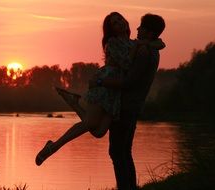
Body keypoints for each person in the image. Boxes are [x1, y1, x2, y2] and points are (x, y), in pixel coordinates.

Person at [35, 13, 165, 176]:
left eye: (120, 20)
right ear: (111, 29)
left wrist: (144, 43)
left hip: (116, 92)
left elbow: (160, 43)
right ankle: (53, 146)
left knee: (99, 131)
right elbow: (125, 64)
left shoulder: (135, 43)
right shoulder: (113, 43)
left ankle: (74, 103)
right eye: (115, 23)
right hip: (104, 84)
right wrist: (142, 44)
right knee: (90, 123)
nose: (119, 23)